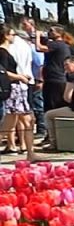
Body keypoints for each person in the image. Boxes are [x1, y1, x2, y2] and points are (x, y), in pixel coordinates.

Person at [40, 56, 74, 151]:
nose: (65, 68)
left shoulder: (73, 76)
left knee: (48, 115)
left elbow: (67, 97)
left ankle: (53, 142)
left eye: (67, 65)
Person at [0, 25, 36, 160]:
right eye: (12, 35)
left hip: (17, 88)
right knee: (9, 122)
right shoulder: (2, 52)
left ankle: (31, 153)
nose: (14, 37)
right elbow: (2, 72)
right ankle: (30, 153)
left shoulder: (7, 51)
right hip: (13, 89)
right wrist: (19, 76)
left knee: (27, 120)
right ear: (6, 36)